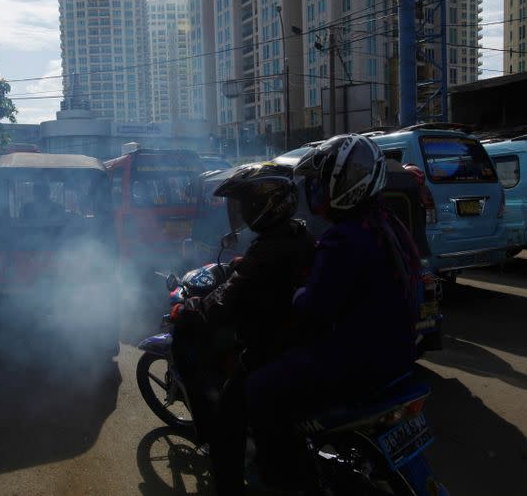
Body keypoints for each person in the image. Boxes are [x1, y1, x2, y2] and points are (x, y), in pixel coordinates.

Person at [244, 134, 422, 492]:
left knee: (258, 388)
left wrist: (296, 295)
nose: (317, 195)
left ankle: (288, 482)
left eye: (321, 185)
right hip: (398, 353)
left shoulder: (344, 238)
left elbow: (314, 309)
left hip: (357, 360)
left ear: (346, 185)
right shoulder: (388, 224)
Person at [172, 162, 316, 495]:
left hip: (270, 350)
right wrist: (240, 265)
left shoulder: (269, 248)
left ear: (265, 204)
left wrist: (191, 307)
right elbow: (253, 275)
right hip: (302, 342)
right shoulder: (297, 232)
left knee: (225, 429)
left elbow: (223, 302)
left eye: (245, 204)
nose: (241, 211)